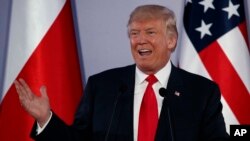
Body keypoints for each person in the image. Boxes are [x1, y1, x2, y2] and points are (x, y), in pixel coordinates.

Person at [14, 4, 229, 141]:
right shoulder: (102, 86)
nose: (140, 40)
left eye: (150, 32)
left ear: (171, 40)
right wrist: (45, 119)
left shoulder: (201, 92)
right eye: (134, 33)